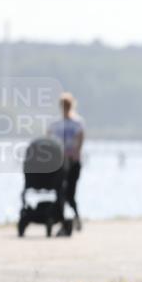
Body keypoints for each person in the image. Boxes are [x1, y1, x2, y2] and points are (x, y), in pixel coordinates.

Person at [47, 92, 85, 232]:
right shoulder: (55, 124)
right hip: (59, 163)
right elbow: (49, 139)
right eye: (63, 105)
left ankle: (76, 217)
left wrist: (74, 154)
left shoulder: (77, 123)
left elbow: (80, 140)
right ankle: (59, 218)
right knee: (59, 192)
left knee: (70, 193)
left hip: (73, 162)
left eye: (67, 105)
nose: (65, 108)